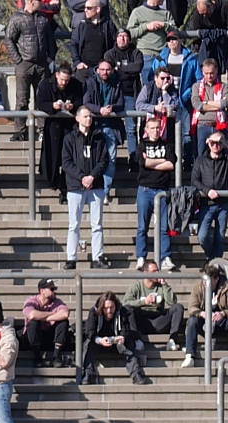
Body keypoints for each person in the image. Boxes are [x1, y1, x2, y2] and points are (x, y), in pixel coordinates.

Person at [62, 106, 112, 269]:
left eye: (90, 116)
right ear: (77, 118)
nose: (88, 119)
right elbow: (66, 162)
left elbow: (104, 160)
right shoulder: (70, 138)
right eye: (85, 116)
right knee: (74, 224)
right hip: (76, 186)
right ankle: (71, 257)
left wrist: (92, 176)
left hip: (95, 185)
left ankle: (98, 256)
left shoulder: (99, 137)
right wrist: (81, 177)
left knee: (97, 223)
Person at [135, 105, 179, 266]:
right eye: (152, 128)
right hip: (145, 189)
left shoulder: (166, 145)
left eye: (158, 128)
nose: (155, 131)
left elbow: (171, 164)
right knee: (142, 226)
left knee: (163, 227)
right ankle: (141, 257)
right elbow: (142, 162)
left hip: (162, 190)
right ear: (147, 128)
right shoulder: (142, 145)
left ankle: (165, 257)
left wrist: (152, 163)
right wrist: (161, 161)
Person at [8, 0, 61, 126]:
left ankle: (42, 128)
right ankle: (20, 130)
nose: (41, 2)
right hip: (24, 64)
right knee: (22, 100)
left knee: (42, 99)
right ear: (31, 2)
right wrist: (18, 60)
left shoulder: (43, 19)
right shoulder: (17, 18)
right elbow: (9, 40)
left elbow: (50, 40)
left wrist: (51, 57)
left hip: (42, 64)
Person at [82, 290, 150, 382]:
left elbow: (126, 329)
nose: (109, 311)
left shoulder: (122, 311)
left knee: (129, 342)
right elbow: (89, 331)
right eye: (106, 308)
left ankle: (136, 374)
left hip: (117, 343)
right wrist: (99, 340)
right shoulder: (94, 312)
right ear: (101, 307)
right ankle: (88, 374)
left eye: (111, 307)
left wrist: (122, 337)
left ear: (115, 306)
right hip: (99, 343)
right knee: (88, 343)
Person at [41, 65, 88, 195]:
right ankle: (53, 181)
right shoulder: (46, 84)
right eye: (62, 79)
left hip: (70, 126)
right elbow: (41, 102)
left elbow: (81, 101)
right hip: (53, 126)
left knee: (69, 157)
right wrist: (52, 106)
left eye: (66, 80)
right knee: (53, 156)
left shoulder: (76, 85)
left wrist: (73, 106)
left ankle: (65, 186)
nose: (64, 83)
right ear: (56, 75)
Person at [83, 59, 128, 189]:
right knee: (95, 159)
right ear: (97, 70)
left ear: (112, 70)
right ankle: (95, 186)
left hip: (111, 126)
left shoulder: (117, 83)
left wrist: (111, 108)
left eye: (108, 69)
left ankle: (106, 189)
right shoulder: (90, 82)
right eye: (102, 69)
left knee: (111, 159)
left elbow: (121, 104)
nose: (105, 72)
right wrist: (99, 110)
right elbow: (86, 102)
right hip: (94, 126)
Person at [125, 261, 185, 355]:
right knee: (128, 309)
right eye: (153, 271)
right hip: (142, 320)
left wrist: (165, 285)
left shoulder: (162, 285)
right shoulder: (136, 286)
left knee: (178, 307)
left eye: (158, 271)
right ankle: (136, 340)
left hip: (158, 319)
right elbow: (125, 303)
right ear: (145, 273)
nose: (157, 274)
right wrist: (144, 301)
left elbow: (172, 302)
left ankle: (172, 340)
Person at [184, 261, 228, 366]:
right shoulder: (198, 287)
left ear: (216, 279)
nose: (204, 283)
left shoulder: (226, 287)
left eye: (207, 280)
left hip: (221, 322)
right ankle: (190, 355)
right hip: (204, 321)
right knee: (192, 321)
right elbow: (191, 308)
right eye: (203, 280)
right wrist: (202, 313)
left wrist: (223, 313)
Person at [21, 277, 75, 362]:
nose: (54, 291)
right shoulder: (31, 301)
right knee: (33, 323)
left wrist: (43, 318)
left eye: (54, 289)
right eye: (52, 289)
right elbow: (31, 315)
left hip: (49, 337)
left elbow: (65, 314)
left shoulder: (57, 302)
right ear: (42, 291)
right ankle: (37, 357)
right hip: (33, 339)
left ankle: (56, 356)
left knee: (63, 322)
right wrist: (52, 314)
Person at [196, 130, 228, 258]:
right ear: (207, 143)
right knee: (202, 236)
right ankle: (212, 258)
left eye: (219, 143)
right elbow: (194, 180)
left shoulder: (226, 158)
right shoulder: (201, 159)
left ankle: (216, 265)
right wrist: (207, 190)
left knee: (220, 237)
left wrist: (222, 140)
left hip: (223, 204)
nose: (215, 146)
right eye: (212, 142)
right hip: (206, 204)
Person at [73, 0, 119, 68]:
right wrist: (77, 62)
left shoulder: (108, 25)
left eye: (89, 8)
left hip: (104, 70)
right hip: (85, 68)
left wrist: (112, 63)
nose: (85, 10)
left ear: (98, 9)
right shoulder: (82, 26)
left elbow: (116, 44)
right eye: (84, 8)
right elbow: (73, 44)